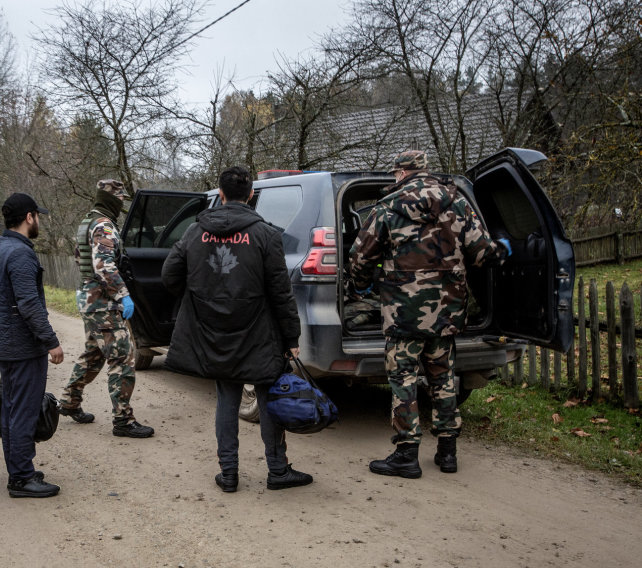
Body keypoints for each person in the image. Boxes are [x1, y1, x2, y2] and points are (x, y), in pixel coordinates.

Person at [348, 150, 511, 478]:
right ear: (426, 172)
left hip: (403, 312)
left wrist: (363, 287)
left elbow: (360, 257)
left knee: (403, 378)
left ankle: (407, 454)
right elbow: (482, 253)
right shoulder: (457, 204)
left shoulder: (387, 208)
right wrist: (505, 249)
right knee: (443, 377)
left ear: (400, 173)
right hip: (447, 311)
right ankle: (447, 453)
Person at [161, 166, 311, 493]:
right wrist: (291, 338)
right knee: (268, 398)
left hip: (212, 330)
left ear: (222, 194)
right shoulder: (266, 235)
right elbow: (280, 292)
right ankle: (278, 470)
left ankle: (228, 474)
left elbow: (169, 275)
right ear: (252, 195)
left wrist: (201, 297)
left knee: (226, 399)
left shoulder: (194, 231)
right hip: (259, 332)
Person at [0, 192, 65, 498]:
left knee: (11, 408)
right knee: (24, 411)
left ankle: (18, 469)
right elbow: (28, 304)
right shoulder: (20, 254)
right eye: (37, 216)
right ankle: (21, 477)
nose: (39, 221)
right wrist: (51, 342)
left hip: (5, 344)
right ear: (29, 217)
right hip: (23, 347)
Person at [59, 179, 154, 438]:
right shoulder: (103, 225)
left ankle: (69, 401)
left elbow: (85, 262)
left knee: (94, 353)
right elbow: (104, 266)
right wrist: (123, 296)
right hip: (102, 302)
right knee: (122, 357)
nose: (122, 203)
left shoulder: (88, 221)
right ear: (112, 199)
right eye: (120, 199)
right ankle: (123, 420)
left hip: (89, 299)